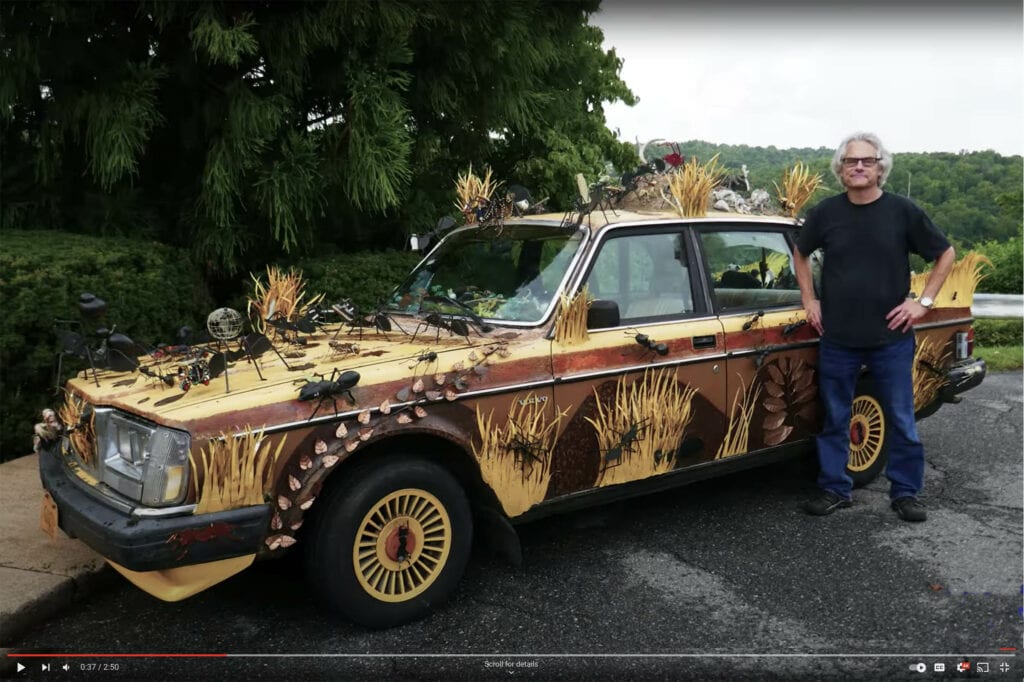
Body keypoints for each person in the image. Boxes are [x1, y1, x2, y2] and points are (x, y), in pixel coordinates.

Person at [793, 132, 955, 522]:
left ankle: (905, 493)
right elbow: (800, 253)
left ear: (881, 167)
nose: (859, 167)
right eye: (851, 162)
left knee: (900, 417)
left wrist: (923, 302)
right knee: (835, 417)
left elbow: (945, 254)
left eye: (867, 161)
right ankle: (835, 489)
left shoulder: (902, 212)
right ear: (841, 169)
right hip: (837, 338)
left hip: (891, 338)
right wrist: (809, 299)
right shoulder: (826, 213)